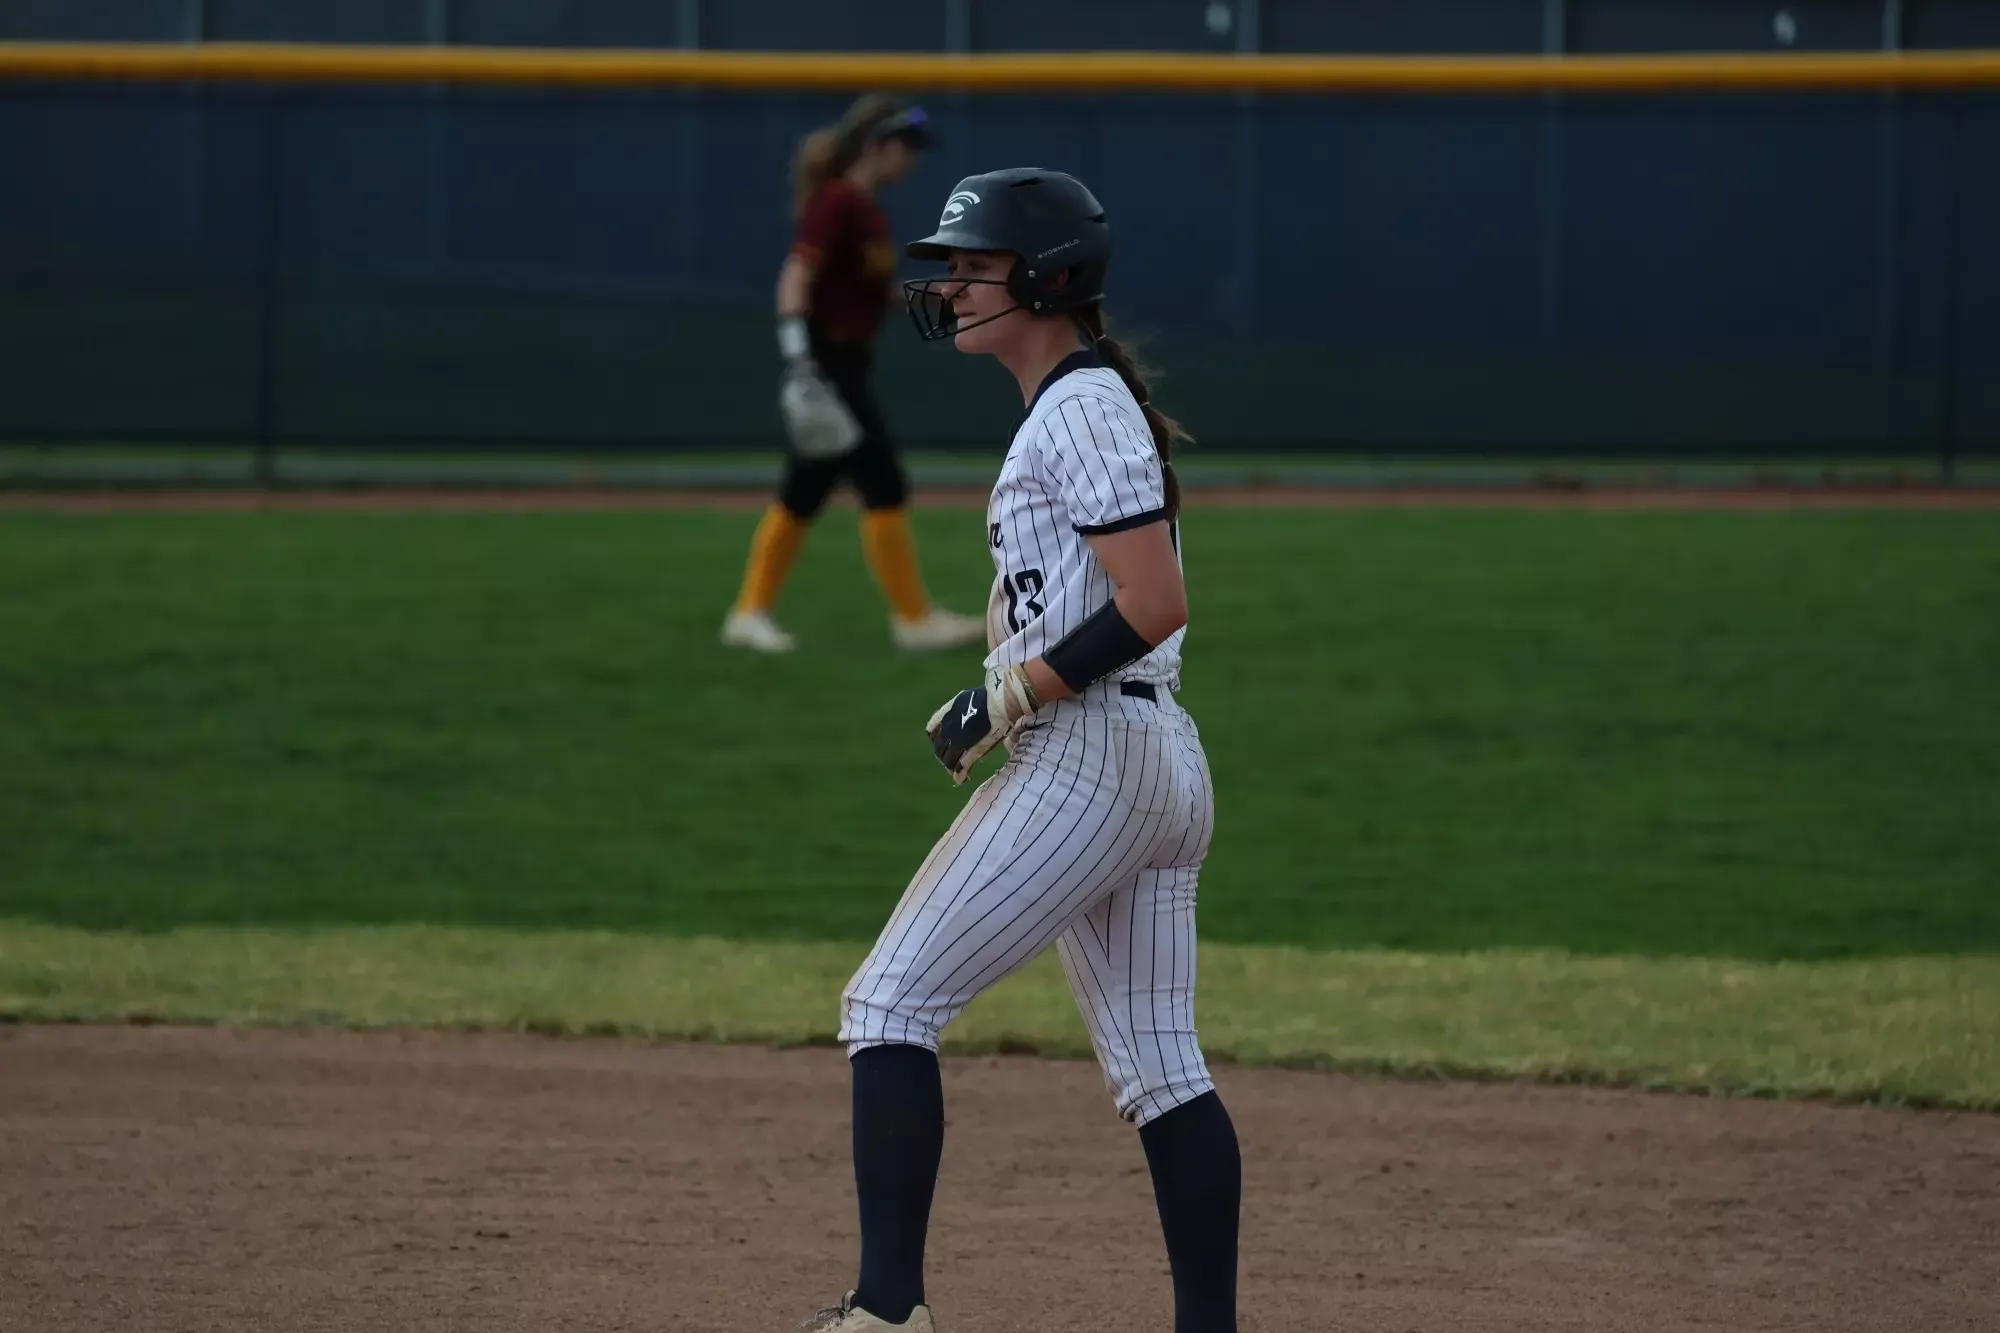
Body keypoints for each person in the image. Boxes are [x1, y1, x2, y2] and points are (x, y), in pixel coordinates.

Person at [797, 169, 1241, 1332]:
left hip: (1094, 754)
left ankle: (886, 1312)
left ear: (1045, 278)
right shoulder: (1077, 403)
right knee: (1162, 1071)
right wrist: (1011, 686)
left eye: (973, 266)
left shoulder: (1079, 406)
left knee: (889, 1005)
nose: (949, 286)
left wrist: (1007, 694)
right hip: (1149, 754)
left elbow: (1154, 599)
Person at [721, 94, 985, 655]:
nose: (910, 159)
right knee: (882, 480)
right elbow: (796, 275)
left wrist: (942, 299)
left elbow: (871, 292)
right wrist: (799, 359)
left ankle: (749, 612)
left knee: (805, 490)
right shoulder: (839, 200)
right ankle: (913, 619)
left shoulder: (866, 209)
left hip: (848, 363)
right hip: (827, 365)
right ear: (875, 146)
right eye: (904, 147)